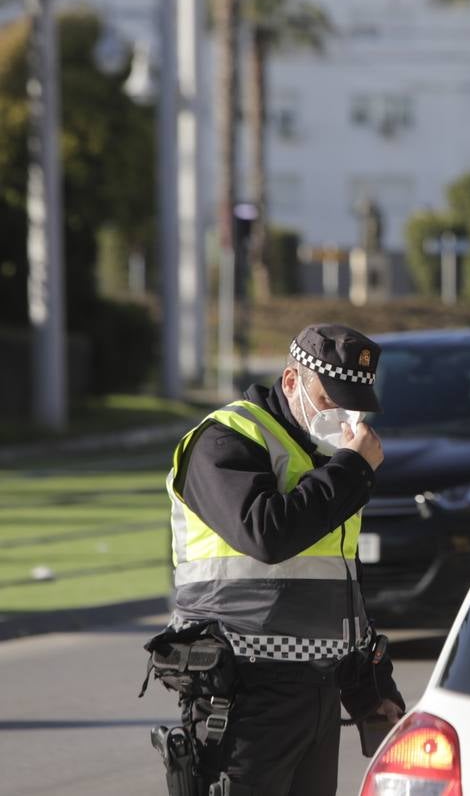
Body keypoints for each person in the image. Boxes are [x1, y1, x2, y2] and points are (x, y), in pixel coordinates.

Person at [144, 324, 404, 796]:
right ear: (291, 382)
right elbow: (266, 534)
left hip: (316, 697)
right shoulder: (225, 441)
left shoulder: (326, 458)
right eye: (330, 401)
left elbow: (337, 588)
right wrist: (352, 469)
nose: (345, 418)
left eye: (354, 406)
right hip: (241, 697)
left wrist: (370, 689)